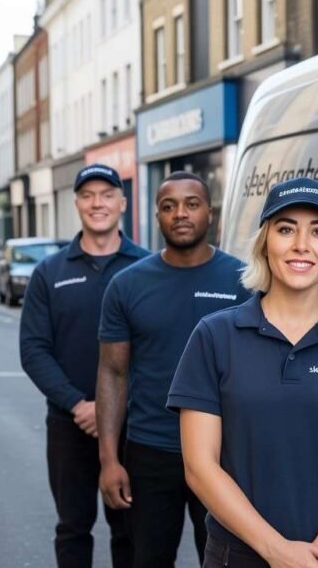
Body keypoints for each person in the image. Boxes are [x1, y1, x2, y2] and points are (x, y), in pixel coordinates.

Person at [168, 177, 318, 568]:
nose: (301, 245)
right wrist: (278, 552)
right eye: (285, 229)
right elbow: (200, 467)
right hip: (238, 557)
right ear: (265, 243)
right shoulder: (214, 336)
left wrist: (316, 558)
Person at [96, 172, 249, 567]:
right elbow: (112, 374)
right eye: (169, 206)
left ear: (209, 213)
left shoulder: (244, 282)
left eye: (191, 204)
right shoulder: (127, 285)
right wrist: (110, 460)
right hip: (150, 452)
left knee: (226, 560)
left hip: (225, 454)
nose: (180, 213)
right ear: (157, 215)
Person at [20, 163, 147, 568]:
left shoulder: (147, 268)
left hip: (131, 426)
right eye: (88, 195)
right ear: (76, 203)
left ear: (122, 203)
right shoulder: (49, 272)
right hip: (69, 424)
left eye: (107, 194)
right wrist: (79, 405)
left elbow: (158, 350)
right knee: (72, 529)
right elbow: (34, 350)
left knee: (130, 529)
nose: (98, 203)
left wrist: (116, 409)